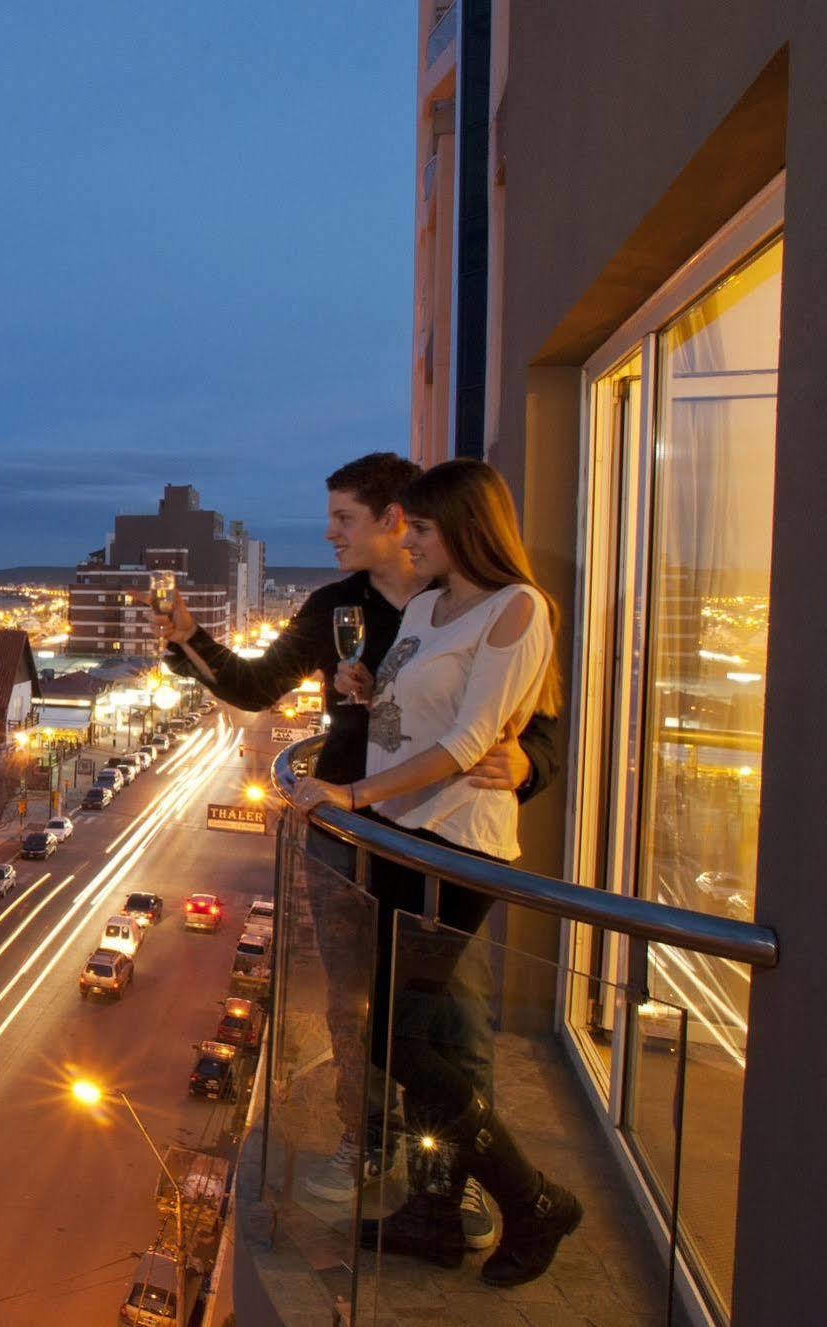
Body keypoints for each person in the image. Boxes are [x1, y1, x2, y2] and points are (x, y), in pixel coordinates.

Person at [155, 452, 561, 1249]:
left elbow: (523, 719)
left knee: (448, 1021)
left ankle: (458, 1183)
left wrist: (528, 763)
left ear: (396, 519)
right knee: (362, 1006)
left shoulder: (491, 604)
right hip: (363, 830)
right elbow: (258, 685)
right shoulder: (355, 605)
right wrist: (191, 642)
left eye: (344, 517)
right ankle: (375, 1143)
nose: (329, 532)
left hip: (438, 832)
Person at [291, 458, 581, 1288]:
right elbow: (401, 711)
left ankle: (532, 1199)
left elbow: (463, 743)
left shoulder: (516, 609)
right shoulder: (423, 604)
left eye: (419, 527)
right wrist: (360, 684)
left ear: (464, 527)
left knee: (405, 1033)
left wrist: (348, 791)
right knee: (405, 1032)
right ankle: (433, 1210)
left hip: (452, 848)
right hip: (396, 839)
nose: (408, 540)